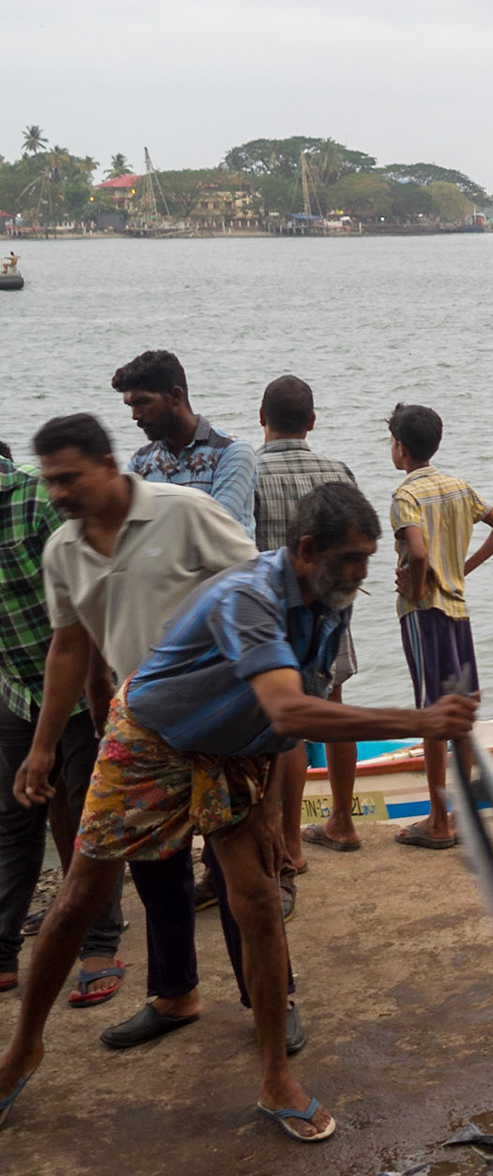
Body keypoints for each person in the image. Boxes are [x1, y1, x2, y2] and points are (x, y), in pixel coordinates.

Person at [0, 482, 478, 1141]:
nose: (364, 572)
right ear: (308, 549)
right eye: (353, 558)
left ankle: (275, 1076)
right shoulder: (246, 597)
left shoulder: (329, 597)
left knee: (256, 900)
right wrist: (420, 719)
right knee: (82, 893)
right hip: (152, 739)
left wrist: (276, 823)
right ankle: (22, 1049)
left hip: (235, 754)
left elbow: (291, 718)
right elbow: (290, 709)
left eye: (369, 558)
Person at [25, 413, 271, 1053]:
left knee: (242, 872)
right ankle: (175, 994)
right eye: (50, 481)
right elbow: (71, 648)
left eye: (69, 477)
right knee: (154, 865)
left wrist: (265, 709)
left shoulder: (184, 512)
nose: (58, 494)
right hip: (141, 727)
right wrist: (45, 745)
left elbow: (257, 592)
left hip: (219, 718)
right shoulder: (64, 549)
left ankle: (271, 1002)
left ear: (109, 465)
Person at [0, 448, 128, 1010]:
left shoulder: (35, 500)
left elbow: (89, 602)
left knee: (88, 811)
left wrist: (101, 694)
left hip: (75, 684)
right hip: (11, 685)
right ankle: (4, 949)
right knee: (13, 817)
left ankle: (99, 942)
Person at [387, 403, 493, 850]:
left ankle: (438, 819)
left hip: (424, 616)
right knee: (459, 714)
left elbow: (417, 553)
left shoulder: (407, 496)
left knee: (432, 714)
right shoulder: (458, 487)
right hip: (458, 611)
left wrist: (418, 589)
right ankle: (461, 814)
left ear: (399, 447)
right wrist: (461, 569)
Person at [252, 375, 364, 871]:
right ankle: (343, 820)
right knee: (334, 703)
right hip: (334, 606)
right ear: (312, 421)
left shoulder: (248, 472)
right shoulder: (337, 471)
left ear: (262, 419)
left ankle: (289, 845)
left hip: (274, 611)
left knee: (286, 727)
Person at [113, 349, 257, 536]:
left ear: (175, 396)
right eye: (130, 406)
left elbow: (217, 528)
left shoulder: (231, 453)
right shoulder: (142, 460)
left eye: (143, 402)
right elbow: (124, 525)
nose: (135, 415)